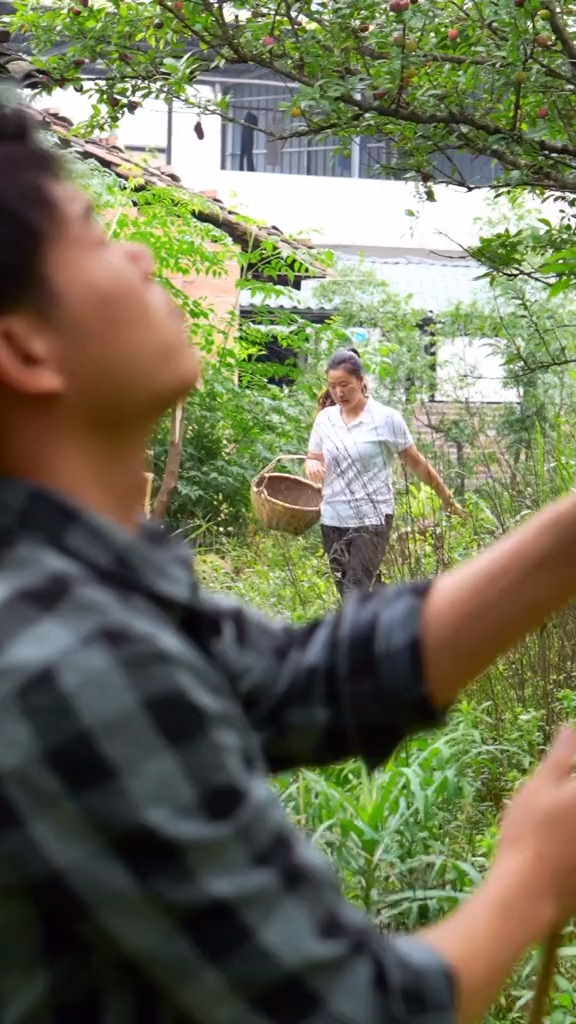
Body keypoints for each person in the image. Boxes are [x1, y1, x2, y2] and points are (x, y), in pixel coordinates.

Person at [4, 100, 576, 1024]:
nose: (143, 256)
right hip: (333, 524)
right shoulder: (63, 658)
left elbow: (304, 681)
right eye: (95, 239)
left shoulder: (89, 578)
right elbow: (351, 1009)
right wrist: (535, 878)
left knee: (356, 599)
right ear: (25, 347)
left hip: (368, 519)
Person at [306, 348, 463, 596]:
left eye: (345, 384)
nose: (339, 392)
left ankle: (363, 631)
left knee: (353, 593)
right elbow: (313, 457)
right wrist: (312, 465)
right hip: (333, 518)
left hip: (372, 519)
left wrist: (447, 499)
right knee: (353, 591)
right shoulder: (325, 420)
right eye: (333, 386)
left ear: (361, 381)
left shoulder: (386, 418)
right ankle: (391, 622)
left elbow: (417, 463)